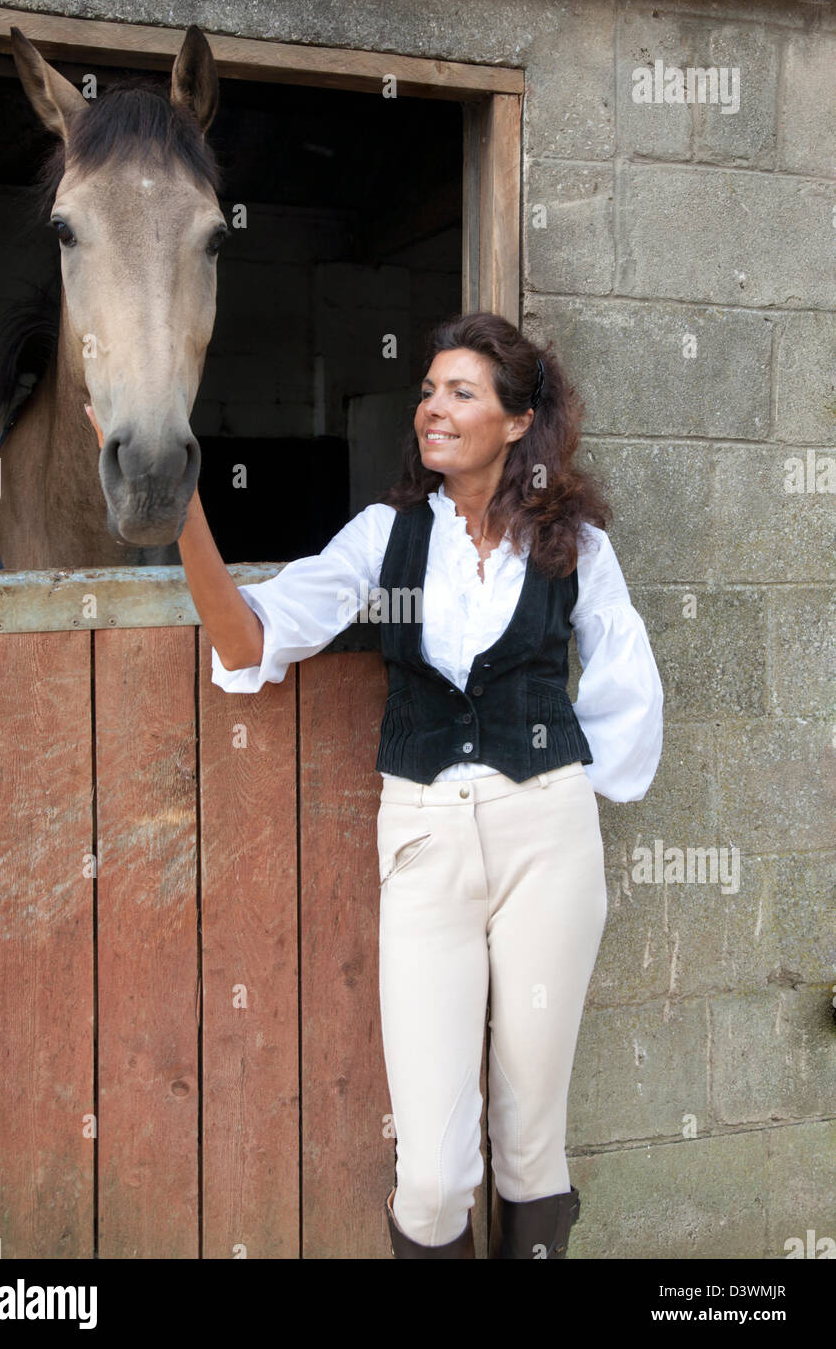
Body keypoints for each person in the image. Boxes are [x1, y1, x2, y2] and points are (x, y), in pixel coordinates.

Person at [89, 310, 664, 1259]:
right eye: (429, 389)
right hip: (425, 840)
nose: (433, 408)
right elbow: (248, 640)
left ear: (518, 423)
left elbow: (624, 703)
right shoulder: (384, 538)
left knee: (531, 1144)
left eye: (461, 393)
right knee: (435, 1173)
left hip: (549, 839)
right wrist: (181, 502)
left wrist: (551, 797)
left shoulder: (578, 548)